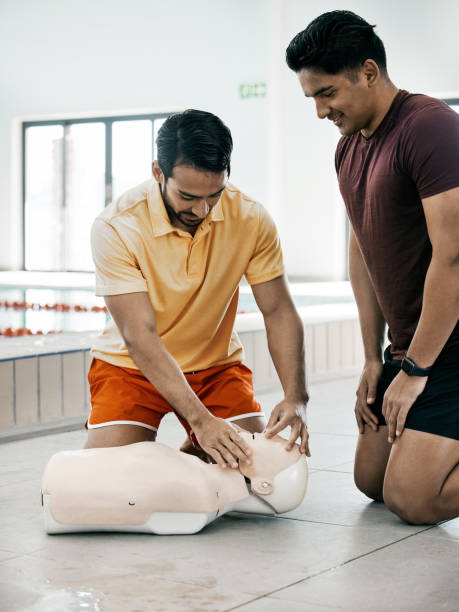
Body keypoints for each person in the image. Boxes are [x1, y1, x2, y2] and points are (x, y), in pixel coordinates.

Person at [286, 11, 459, 524]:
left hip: (452, 344)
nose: (320, 111)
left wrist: (417, 370)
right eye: (312, 97)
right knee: (372, 484)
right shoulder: (347, 149)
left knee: (414, 499)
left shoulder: (429, 127)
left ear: (367, 71)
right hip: (412, 342)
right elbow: (361, 249)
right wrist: (374, 358)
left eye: (327, 94)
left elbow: (453, 257)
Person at [86, 109, 310, 468]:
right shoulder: (116, 226)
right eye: (188, 196)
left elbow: (279, 311)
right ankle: (192, 450)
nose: (202, 209)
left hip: (214, 368)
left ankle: (191, 456)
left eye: (215, 195)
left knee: (272, 474)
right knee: (106, 478)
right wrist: (202, 422)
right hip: (132, 369)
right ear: (158, 171)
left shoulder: (250, 217)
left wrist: (295, 396)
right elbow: (138, 336)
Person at [42, 432, 309, 535]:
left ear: (264, 486)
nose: (251, 434)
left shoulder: (202, 495)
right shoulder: (203, 487)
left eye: (254, 436)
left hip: (59, 483)